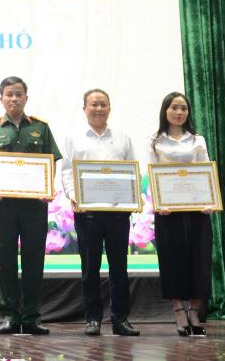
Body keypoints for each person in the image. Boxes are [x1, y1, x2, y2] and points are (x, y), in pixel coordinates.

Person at [0, 76, 60, 335]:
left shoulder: (41, 128)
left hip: (35, 205)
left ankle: (32, 316)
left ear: (26, 98)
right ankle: (10, 316)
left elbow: (51, 161)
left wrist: (47, 187)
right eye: (9, 94)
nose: (14, 98)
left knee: (34, 259)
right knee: (5, 260)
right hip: (3, 206)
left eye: (19, 94)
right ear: (1, 98)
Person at [59, 89, 139, 337]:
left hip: (117, 213)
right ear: (84, 108)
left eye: (103, 104)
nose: (98, 109)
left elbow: (132, 170)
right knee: (90, 269)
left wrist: (132, 198)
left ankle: (121, 320)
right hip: (87, 213)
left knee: (119, 269)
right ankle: (92, 319)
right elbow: (66, 171)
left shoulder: (123, 137)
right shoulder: (74, 138)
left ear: (109, 108)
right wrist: (74, 196)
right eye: (94, 104)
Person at [148, 91, 212, 336]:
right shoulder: (155, 141)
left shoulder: (198, 140)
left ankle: (194, 310)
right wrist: (159, 202)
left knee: (200, 259)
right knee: (172, 259)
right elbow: (152, 172)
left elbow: (205, 170)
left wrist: (208, 200)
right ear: (165, 111)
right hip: (168, 210)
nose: (179, 112)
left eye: (183, 108)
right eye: (174, 107)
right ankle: (178, 310)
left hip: (197, 208)